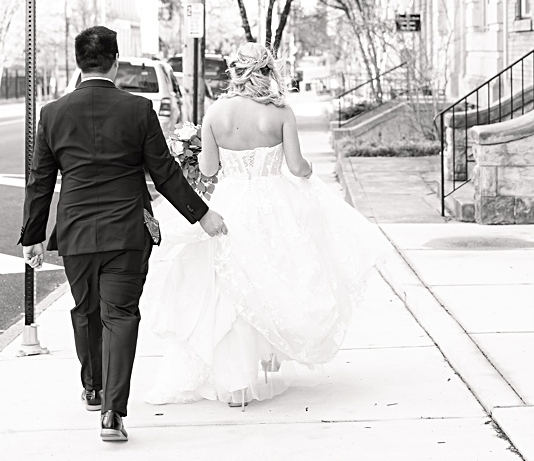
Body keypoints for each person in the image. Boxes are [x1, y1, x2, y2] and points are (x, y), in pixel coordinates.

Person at [141, 42, 395, 407]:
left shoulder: (216, 113)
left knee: (232, 287)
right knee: (278, 276)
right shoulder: (280, 113)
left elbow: (210, 170)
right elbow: (296, 167)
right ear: (267, 71)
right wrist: (308, 171)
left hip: (232, 205)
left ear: (235, 71)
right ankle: (269, 354)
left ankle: (235, 380)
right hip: (274, 205)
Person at [19, 26, 228, 444]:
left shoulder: (53, 113)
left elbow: (40, 180)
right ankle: (113, 412)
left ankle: (93, 387)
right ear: (115, 61)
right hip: (128, 231)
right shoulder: (138, 109)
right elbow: (164, 172)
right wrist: (200, 214)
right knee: (121, 316)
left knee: (86, 310)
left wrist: (32, 236)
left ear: (80, 64)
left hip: (76, 232)